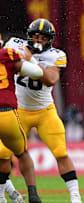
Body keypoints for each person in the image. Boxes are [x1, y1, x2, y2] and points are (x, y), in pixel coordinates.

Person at [0, 18, 82, 203]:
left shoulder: (56, 55)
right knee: (3, 154)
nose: (38, 40)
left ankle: (75, 197)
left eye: (43, 38)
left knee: (61, 151)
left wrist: (31, 59)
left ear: (50, 40)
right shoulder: (14, 44)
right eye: (35, 36)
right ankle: (9, 195)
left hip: (45, 111)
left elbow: (51, 79)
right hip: (18, 110)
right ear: (28, 36)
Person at [0, 34, 43, 203]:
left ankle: (4, 196)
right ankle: (33, 195)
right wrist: (30, 58)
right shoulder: (7, 56)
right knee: (22, 154)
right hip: (6, 113)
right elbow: (38, 72)